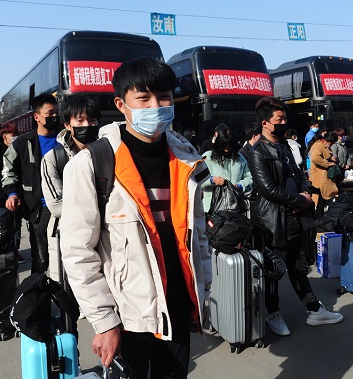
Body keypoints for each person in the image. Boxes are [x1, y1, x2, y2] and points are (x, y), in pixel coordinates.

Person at [60, 57, 212, 377]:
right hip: (127, 314)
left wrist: (204, 291)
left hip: (178, 305)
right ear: (121, 103)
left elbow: (197, 235)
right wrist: (104, 322)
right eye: (143, 98)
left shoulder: (187, 158)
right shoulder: (92, 164)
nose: (156, 106)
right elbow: (78, 252)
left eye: (164, 97)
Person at [248, 97, 343, 337]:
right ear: (265, 123)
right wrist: (301, 200)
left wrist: (306, 192)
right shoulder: (257, 151)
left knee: (299, 265)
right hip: (274, 221)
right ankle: (273, 313)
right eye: (279, 119)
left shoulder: (285, 146)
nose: (283, 123)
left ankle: (314, 309)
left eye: (285, 119)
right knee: (274, 270)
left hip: (296, 217)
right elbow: (268, 189)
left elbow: (299, 174)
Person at [41, 94, 100, 282]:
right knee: (71, 291)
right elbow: (56, 206)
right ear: (67, 124)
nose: (87, 126)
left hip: (106, 236)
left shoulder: (109, 152)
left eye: (92, 120)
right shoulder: (53, 159)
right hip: (67, 236)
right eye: (80, 120)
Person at [2, 93, 59, 275]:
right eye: (50, 113)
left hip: (65, 207)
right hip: (38, 209)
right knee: (41, 259)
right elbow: (8, 169)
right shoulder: (23, 143)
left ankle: (69, 300)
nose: (54, 117)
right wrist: (12, 193)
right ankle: (38, 299)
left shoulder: (65, 140)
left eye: (56, 113)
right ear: (37, 117)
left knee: (69, 257)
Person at [201, 128, 253, 213]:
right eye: (223, 147)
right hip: (211, 207)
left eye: (229, 147)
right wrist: (212, 180)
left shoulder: (240, 158)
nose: (226, 150)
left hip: (235, 208)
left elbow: (250, 177)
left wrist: (240, 185)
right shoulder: (208, 157)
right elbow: (196, 178)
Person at [308, 132, 339, 218]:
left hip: (324, 177)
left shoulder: (324, 146)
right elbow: (315, 158)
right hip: (319, 177)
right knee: (319, 200)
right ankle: (318, 219)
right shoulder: (318, 146)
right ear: (329, 141)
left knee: (323, 199)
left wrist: (330, 158)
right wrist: (328, 163)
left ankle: (320, 218)